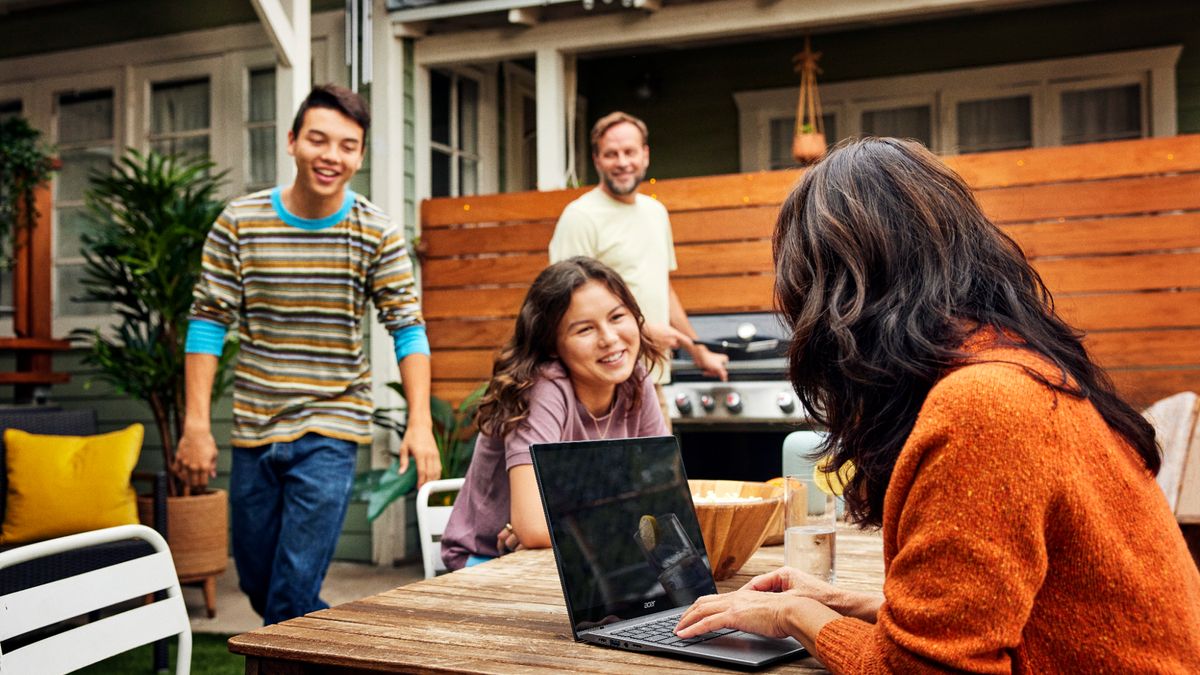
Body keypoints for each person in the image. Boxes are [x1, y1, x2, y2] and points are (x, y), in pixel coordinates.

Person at [674, 138, 1200, 671]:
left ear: (842, 301)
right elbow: (1031, 610)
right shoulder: (1017, 370)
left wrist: (795, 617)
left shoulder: (987, 407)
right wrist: (853, 605)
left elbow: (928, 672)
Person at [173, 84, 440, 625]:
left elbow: (407, 328)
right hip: (254, 427)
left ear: (360, 156)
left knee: (292, 591)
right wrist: (196, 424)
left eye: (347, 145)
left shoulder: (375, 233)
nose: (331, 156)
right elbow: (207, 322)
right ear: (292, 142)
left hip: (332, 426)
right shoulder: (240, 224)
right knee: (257, 580)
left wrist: (420, 423)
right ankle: (331, 647)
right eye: (318, 140)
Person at [440, 257, 668, 571]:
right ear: (551, 344)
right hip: (486, 561)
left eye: (617, 316)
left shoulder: (635, 381)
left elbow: (665, 501)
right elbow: (534, 528)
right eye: (585, 329)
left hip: (573, 560)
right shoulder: (545, 387)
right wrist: (620, 525)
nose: (609, 338)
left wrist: (560, 529)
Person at [548, 111, 729, 424]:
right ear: (597, 160)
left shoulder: (655, 212)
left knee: (661, 472)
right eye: (611, 154)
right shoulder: (580, 216)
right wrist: (642, 330)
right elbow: (567, 304)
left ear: (645, 155)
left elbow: (664, 288)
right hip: (602, 385)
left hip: (651, 377)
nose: (622, 162)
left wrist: (697, 348)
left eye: (629, 152)